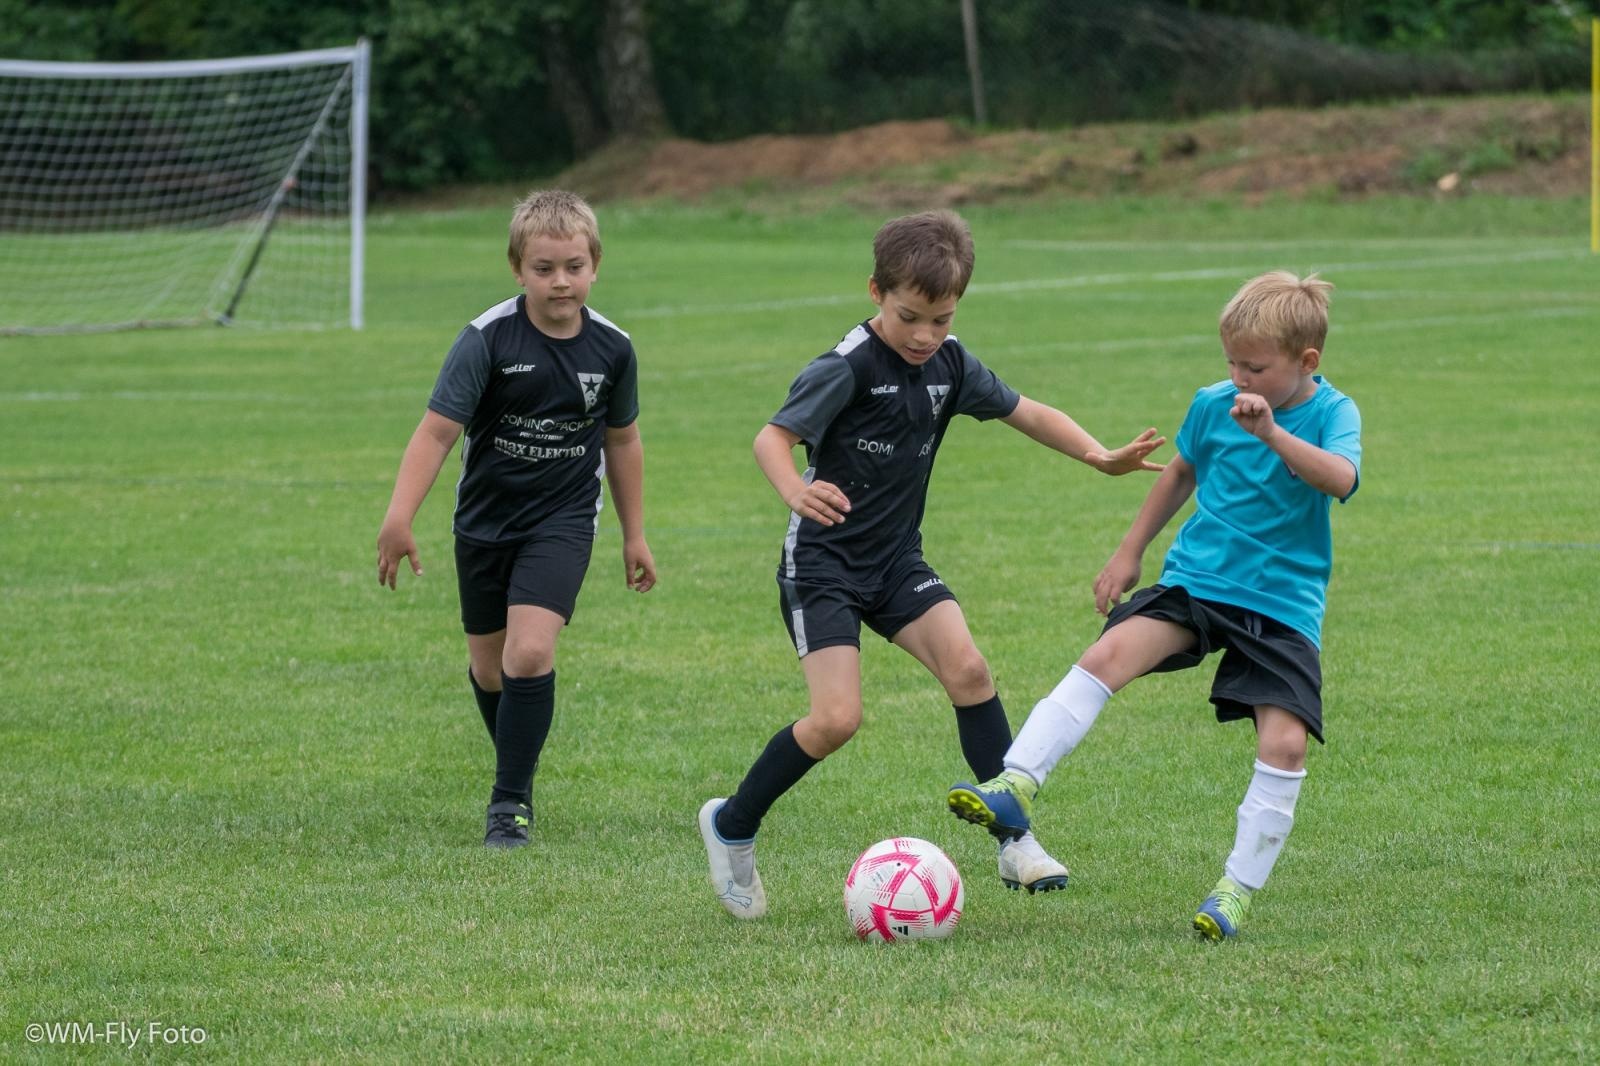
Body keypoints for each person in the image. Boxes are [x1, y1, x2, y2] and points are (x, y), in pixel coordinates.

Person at [698, 209, 1165, 918]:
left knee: (970, 670)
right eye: (909, 317)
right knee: (836, 719)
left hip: (895, 561)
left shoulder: (951, 364)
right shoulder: (847, 366)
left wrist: (1098, 456)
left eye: (941, 320)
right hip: (823, 564)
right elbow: (772, 438)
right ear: (876, 292)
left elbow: (1026, 410)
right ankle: (732, 824)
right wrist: (795, 489)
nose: (924, 336)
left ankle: (1015, 840)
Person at [948, 271, 1360, 940]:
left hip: (1283, 603)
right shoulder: (1214, 402)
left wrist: (1272, 434)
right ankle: (1015, 783)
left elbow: (1340, 479)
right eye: (1231, 362)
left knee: (1284, 745)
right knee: (1109, 653)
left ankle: (1234, 891)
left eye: (1255, 368)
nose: (1239, 378)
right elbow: (1181, 471)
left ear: (1306, 361)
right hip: (1199, 580)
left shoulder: (1335, 413)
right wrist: (1129, 551)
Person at [376, 189, 655, 849]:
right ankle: (518, 777)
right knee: (490, 670)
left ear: (595, 266)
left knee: (528, 653)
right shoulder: (487, 339)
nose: (560, 282)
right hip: (485, 522)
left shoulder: (613, 349)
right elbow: (437, 432)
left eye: (574, 267)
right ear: (517, 268)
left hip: (562, 520)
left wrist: (634, 534)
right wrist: (399, 516)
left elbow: (622, 440)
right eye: (543, 268)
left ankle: (508, 803)